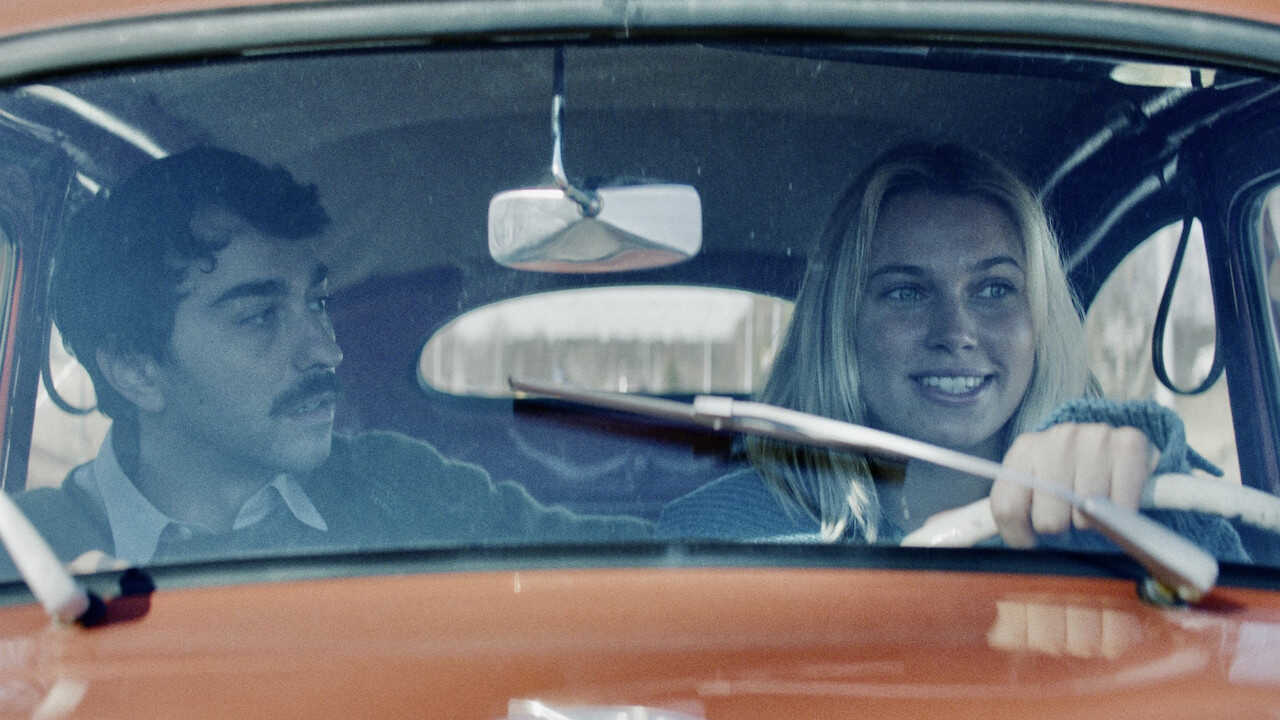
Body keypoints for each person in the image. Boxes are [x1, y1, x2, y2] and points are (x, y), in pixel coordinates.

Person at [18, 146, 650, 568]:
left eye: (317, 302)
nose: (327, 349)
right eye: (259, 316)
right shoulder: (26, 561)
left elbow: (635, 570)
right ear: (135, 369)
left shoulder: (400, 487)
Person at [658, 142, 1247, 561]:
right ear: (843, 326)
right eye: (906, 292)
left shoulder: (1116, 510)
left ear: (1040, 320)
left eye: (994, 290)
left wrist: (1144, 479)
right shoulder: (721, 531)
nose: (956, 331)